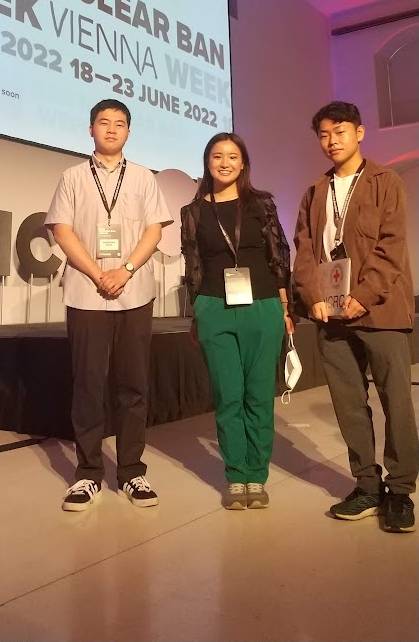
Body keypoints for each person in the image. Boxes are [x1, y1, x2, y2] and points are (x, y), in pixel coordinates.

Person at [293, 101, 418, 533]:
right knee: (348, 404)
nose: (332, 141)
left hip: (381, 310)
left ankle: (400, 491)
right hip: (331, 314)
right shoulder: (315, 191)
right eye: (324, 134)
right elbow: (305, 251)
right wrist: (313, 297)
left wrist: (362, 297)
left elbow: (391, 247)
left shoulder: (386, 182)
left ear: (359, 133)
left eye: (340, 131)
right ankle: (367, 486)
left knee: (396, 402)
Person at [45, 99, 172, 511]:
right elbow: (62, 231)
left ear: (129, 132)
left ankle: (132, 471)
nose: (112, 129)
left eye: (120, 123)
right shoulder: (72, 177)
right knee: (88, 385)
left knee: (134, 386)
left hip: (134, 293)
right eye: (104, 122)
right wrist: (97, 273)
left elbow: (154, 231)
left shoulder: (143, 177)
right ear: (91, 129)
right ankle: (87, 473)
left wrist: (126, 269)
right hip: (86, 293)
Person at [181, 132, 294, 510]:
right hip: (214, 307)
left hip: (263, 305)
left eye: (232, 156)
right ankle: (236, 476)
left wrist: (285, 308)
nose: (225, 162)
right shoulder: (193, 212)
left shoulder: (261, 204)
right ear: (207, 162)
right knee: (228, 396)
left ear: (243, 163)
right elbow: (193, 264)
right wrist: (196, 311)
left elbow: (279, 255)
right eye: (217, 156)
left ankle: (256, 475)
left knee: (258, 396)